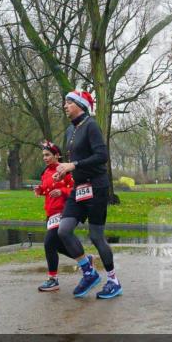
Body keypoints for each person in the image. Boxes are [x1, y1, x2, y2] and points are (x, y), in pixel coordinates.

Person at [53, 90, 121, 299]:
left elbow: (102, 156)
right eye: (65, 102)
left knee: (96, 236)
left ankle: (113, 281)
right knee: (64, 230)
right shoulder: (70, 130)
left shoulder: (91, 125)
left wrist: (73, 164)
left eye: (69, 102)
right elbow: (75, 160)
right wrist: (63, 171)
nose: (65, 106)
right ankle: (89, 272)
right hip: (79, 187)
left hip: (97, 186)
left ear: (80, 105)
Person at [34, 141, 73, 292]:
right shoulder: (45, 172)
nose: (45, 158)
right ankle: (84, 259)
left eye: (47, 155)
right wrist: (40, 190)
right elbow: (47, 189)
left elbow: (74, 189)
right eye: (43, 155)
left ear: (57, 155)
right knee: (57, 246)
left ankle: (53, 279)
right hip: (50, 213)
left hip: (63, 212)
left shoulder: (65, 170)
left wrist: (62, 191)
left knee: (49, 243)